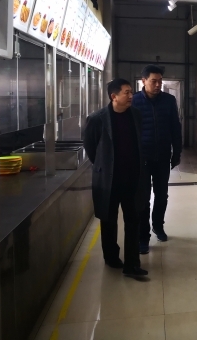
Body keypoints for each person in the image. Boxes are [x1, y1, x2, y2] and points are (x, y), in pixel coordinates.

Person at [83, 78, 148, 277]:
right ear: (114, 96)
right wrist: (105, 166)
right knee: (109, 220)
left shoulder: (136, 115)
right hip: (109, 181)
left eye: (131, 92)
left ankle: (132, 264)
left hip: (132, 179)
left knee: (133, 219)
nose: (131, 96)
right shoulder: (97, 119)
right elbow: (91, 148)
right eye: (126, 92)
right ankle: (111, 257)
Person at [132, 65, 182, 254]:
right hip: (142, 158)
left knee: (162, 195)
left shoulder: (169, 100)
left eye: (160, 81)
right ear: (143, 81)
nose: (158, 84)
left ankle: (158, 226)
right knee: (144, 198)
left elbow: (175, 128)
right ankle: (143, 237)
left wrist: (176, 153)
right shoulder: (134, 100)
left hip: (162, 156)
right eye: (154, 81)